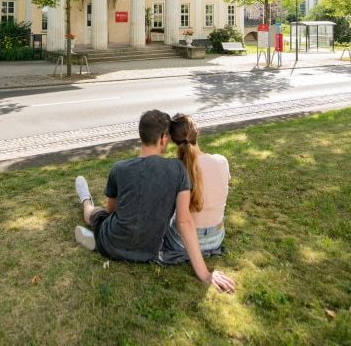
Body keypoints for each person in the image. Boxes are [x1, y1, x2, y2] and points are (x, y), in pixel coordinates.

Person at [73, 110, 236, 293]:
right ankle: (95, 225)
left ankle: (86, 200)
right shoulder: (188, 167)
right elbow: (185, 219)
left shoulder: (121, 168)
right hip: (182, 244)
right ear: (163, 139)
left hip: (128, 239)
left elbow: (111, 210)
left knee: (96, 214)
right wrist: (205, 274)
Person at [158, 114, 230, 265]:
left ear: (172, 139)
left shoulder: (174, 169)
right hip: (216, 238)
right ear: (198, 131)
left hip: (182, 243)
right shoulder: (221, 161)